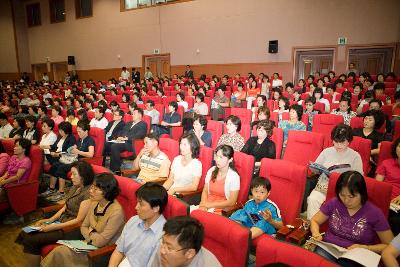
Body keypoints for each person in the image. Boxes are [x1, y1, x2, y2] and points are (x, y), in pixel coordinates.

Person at [16, 161, 94, 267]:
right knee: (25, 232)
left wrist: (53, 227)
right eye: (71, 173)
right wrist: (49, 220)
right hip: (62, 221)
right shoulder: (76, 186)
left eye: (74, 174)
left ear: (84, 176)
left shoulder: (88, 193)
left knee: (30, 238)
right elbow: (65, 206)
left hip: (72, 229)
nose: (71, 177)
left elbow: (78, 220)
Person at [41, 173, 124, 267]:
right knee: (58, 251)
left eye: (95, 189)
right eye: (92, 187)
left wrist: (89, 233)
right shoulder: (95, 203)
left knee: (63, 255)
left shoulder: (116, 212)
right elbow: (84, 226)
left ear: (107, 191)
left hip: (100, 253)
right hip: (87, 245)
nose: (90, 191)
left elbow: (101, 241)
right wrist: (92, 234)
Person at [310, 171, 393, 265]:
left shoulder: (375, 213)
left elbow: (389, 245)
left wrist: (366, 248)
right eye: (342, 195)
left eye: (351, 196)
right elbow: (315, 220)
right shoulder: (334, 203)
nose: (346, 201)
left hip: (356, 256)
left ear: (362, 194)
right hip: (329, 249)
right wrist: (316, 233)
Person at [307, 124, 363, 219]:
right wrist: (316, 169)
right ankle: (312, 229)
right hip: (324, 187)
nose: (338, 145)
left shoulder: (355, 156)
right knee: (312, 199)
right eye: (336, 142)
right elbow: (317, 168)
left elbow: (359, 178)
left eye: (342, 142)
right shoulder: (326, 151)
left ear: (349, 141)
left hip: (343, 190)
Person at [108, 183, 168, 267]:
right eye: (137, 202)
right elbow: (119, 251)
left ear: (156, 208)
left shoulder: (164, 235)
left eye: (141, 204)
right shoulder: (134, 221)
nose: (136, 207)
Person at [47, 120, 95, 201]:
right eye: (77, 131)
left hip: (81, 162)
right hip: (73, 159)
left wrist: (78, 152)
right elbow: (73, 148)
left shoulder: (90, 140)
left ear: (86, 131)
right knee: (55, 164)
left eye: (80, 132)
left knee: (62, 167)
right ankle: (51, 189)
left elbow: (91, 154)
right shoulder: (79, 140)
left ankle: (61, 192)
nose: (78, 133)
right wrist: (70, 150)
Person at [148, 216, 222, 267]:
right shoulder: (164, 249)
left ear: (189, 253)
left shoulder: (208, 264)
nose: (162, 251)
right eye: (163, 242)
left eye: (169, 248)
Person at [191, 145, 240, 214]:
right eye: (216, 156)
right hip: (206, 205)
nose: (217, 160)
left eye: (221, 157)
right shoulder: (212, 170)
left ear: (230, 160)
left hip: (221, 209)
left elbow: (231, 201)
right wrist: (203, 204)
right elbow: (205, 190)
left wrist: (208, 205)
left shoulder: (234, 177)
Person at [0, 138, 32, 224]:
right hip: (8, 182)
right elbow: (8, 170)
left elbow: (17, 177)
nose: (14, 148)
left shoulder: (26, 161)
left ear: (24, 149)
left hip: (17, 185)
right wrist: (3, 177)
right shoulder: (14, 157)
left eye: (17, 146)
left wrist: (3, 182)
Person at [109, 107, 147, 173]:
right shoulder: (129, 123)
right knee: (107, 144)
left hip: (132, 144)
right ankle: (102, 163)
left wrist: (126, 138)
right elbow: (123, 131)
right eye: (132, 113)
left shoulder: (143, 124)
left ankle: (115, 170)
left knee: (114, 146)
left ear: (140, 115)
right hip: (123, 141)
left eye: (134, 113)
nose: (132, 115)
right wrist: (120, 137)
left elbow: (139, 135)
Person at [376, 138, 400, 235]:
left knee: (395, 221)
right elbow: (377, 185)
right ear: (396, 148)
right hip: (385, 200)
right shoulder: (386, 163)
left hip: (398, 205)